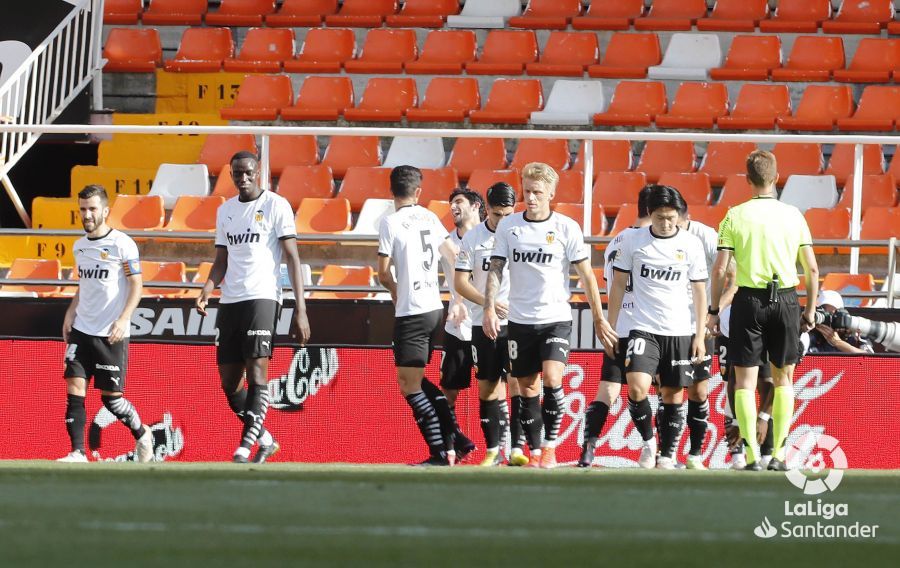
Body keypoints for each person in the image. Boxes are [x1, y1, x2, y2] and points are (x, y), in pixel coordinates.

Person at [484, 163, 617, 468]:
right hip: (520, 319)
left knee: (553, 379)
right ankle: (534, 450)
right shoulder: (509, 226)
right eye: (527, 191)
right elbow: (496, 269)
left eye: (537, 192)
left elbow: (586, 275)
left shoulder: (566, 228)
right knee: (528, 387)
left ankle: (550, 446)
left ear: (551, 194)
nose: (530, 198)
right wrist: (490, 306)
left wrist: (599, 317)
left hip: (556, 317)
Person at [196, 151, 311, 464]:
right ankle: (266, 440)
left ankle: (245, 446)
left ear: (258, 172)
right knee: (229, 383)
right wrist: (207, 289)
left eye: (247, 173)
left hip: (263, 297)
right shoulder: (225, 211)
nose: (242, 179)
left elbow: (293, 257)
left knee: (258, 371)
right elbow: (221, 260)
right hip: (230, 301)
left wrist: (300, 308)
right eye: (237, 174)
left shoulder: (276, 205)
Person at [708, 150, 819, 472]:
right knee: (784, 380)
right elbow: (811, 269)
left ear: (747, 180)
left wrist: (714, 310)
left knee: (744, 382)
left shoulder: (734, 215)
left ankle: (753, 456)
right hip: (785, 299)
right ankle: (780, 455)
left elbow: (719, 270)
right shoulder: (793, 215)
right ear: (776, 177)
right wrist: (809, 309)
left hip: (748, 300)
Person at [607, 186, 709, 470]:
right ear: (650, 214)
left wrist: (699, 334)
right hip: (643, 327)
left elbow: (700, 291)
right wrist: (610, 326)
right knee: (637, 387)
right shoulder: (631, 240)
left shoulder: (691, 244)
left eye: (671, 217)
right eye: (660, 217)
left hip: (678, 330)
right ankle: (649, 442)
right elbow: (617, 285)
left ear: (679, 216)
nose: (666, 224)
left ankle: (666, 454)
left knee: (672, 395)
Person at [59, 184, 153, 463]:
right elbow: (84, 285)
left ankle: (142, 432)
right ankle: (77, 452)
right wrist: (70, 312)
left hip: (110, 333)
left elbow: (137, 284)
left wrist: (124, 319)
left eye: (92, 209)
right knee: (75, 387)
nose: (86, 215)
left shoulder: (121, 244)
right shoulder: (79, 247)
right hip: (82, 330)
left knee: (111, 399)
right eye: (83, 210)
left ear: (105, 211)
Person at [377, 165, 464, 466]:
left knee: (409, 384)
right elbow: (452, 254)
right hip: (433, 307)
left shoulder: (390, 222)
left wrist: (393, 290)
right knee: (417, 378)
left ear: (392, 191)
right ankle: (456, 439)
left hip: (411, 309)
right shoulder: (429, 216)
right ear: (418, 192)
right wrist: (456, 296)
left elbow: (382, 271)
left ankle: (440, 452)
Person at [578, 185, 653, 468]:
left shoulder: (615, 241)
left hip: (618, 325)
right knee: (662, 390)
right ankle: (654, 447)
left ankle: (588, 448)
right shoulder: (649, 240)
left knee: (607, 390)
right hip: (647, 327)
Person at [455, 182, 529, 467]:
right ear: (487, 209)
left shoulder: (521, 234)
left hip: (516, 321)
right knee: (487, 386)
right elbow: (460, 282)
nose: (503, 220)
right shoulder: (473, 238)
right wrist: (488, 304)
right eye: (498, 214)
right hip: (481, 322)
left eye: (508, 213)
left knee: (518, 383)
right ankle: (492, 449)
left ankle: (517, 448)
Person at [438, 188, 484, 462]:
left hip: (489, 323)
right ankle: (449, 451)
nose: (453, 207)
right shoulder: (445, 241)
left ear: (476, 206)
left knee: (494, 389)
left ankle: (501, 450)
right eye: (451, 202)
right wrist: (455, 300)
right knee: (449, 391)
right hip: (457, 325)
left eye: (458, 202)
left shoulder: (493, 238)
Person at [807, 290, 873, 354]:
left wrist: (838, 342)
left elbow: (870, 358)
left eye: (833, 315)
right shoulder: (810, 334)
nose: (829, 319)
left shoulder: (854, 332)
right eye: (825, 314)